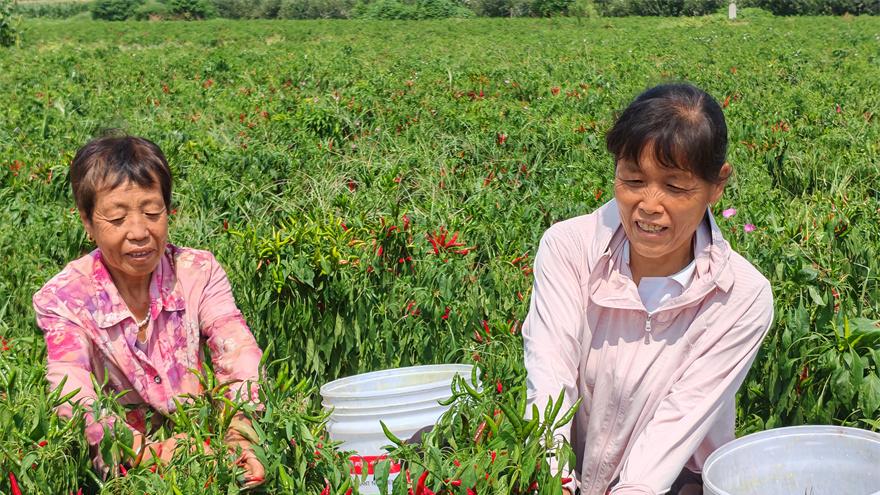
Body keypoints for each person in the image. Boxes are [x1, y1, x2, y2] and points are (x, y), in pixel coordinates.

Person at [522, 83, 773, 495]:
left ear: (717, 184)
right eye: (634, 179)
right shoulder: (569, 249)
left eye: (675, 187)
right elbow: (550, 377)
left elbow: (674, 427)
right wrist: (553, 482)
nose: (650, 205)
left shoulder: (740, 297)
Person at [33, 135, 265, 487]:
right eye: (117, 217)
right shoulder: (65, 298)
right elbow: (71, 390)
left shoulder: (197, 272)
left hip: (211, 449)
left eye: (152, 212)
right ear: (87, 222)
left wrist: (240, 434)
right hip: (123, 472)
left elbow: (238, 350)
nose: (139, 232)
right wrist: (144, 451)